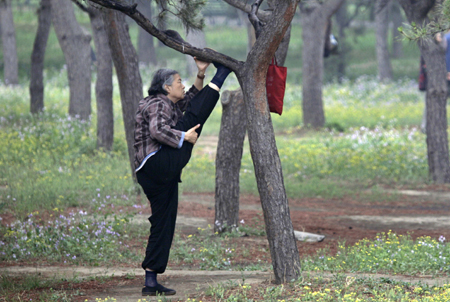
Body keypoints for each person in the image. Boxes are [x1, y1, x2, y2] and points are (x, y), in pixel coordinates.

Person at [134, 57, 232, 296]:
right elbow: (157, 131)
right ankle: (222, 75)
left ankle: (151, 280)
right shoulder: (158, 103)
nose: (182, 85)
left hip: (153, 173)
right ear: (167, 87)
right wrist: (183, 138)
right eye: (179, 81)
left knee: (163, 222)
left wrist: (200, 74)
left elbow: (192, 99)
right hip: (157, 163)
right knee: (191, 121)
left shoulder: (168, 102)